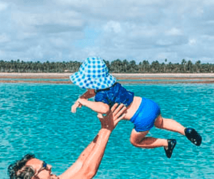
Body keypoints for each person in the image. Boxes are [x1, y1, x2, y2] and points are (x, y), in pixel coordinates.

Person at [70, 57, 202, 158]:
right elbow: (92, 92)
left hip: (141, 117)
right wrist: (82, 99)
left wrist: (84, 101)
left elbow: (103, 108)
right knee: (162, 122)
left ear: (91, 82)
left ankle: (167, 143)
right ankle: (185, 130)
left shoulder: (101, 96)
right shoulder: (113, 85)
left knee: (136, 142)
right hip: (149, 104)